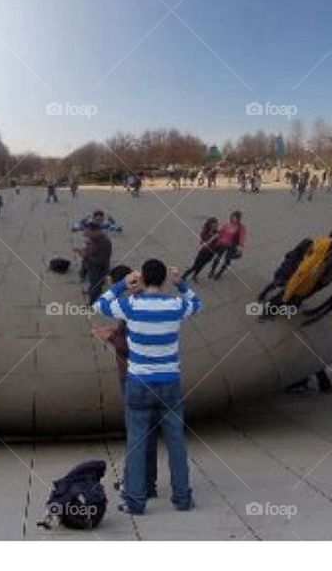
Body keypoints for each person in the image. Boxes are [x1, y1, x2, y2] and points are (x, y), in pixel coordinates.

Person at [96, 259, 201, 514]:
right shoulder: (176, 305)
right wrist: (181, 283)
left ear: (142, 279)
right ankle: (182, 497)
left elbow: (100, 305)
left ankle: (135, 501)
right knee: (176, 440)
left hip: (139, 382)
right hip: (170, 382)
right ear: (164, 279)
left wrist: (123, 283)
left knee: (137, 441)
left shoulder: (130, 305)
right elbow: (197, 304)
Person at [91, 266, 161, 501]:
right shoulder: (145, 303)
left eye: (116, 285)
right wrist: (117, 331)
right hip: (151, 376)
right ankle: (146, 481)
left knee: (139, 433)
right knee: (146, 432)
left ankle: (139, 484)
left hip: (134, 377)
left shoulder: (135, 305)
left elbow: (134, 345)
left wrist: (110, 337)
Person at [210, 210, 246, 280]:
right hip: (222, 243)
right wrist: (213, 236)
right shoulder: (227, 224)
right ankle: (212, 271)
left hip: (231, 246)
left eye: (235, 218)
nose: (234, 219)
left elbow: (242, 237)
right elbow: (220, 232)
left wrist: (241, 247)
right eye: (233, 217)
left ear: (238, 219)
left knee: (227, 260)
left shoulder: (241, 227)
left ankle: (220, 273)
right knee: (217, 258)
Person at [181, 217, 220, 282]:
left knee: (202, 265)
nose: (215, 227)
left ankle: (195, 276)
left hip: (211, 253)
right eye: (213, 226)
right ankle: (183, 276)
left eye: (216, 225)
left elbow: (218, 242)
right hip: (203, 252)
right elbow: (204, 244)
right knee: (195, 265)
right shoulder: (204, 232)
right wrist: (214, 237)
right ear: (209, 225)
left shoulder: (217, 232)